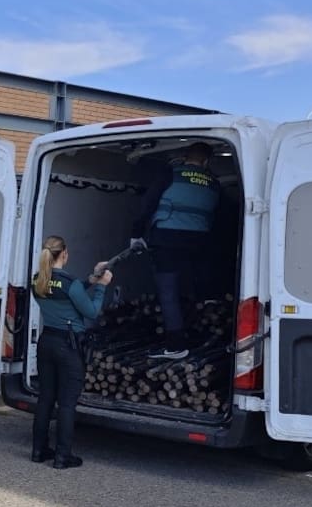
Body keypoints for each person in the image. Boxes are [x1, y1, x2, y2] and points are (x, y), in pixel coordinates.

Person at [131, 142, 221, 360]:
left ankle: (176, 346)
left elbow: (148, 204)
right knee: (196, 284)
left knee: (168, 293)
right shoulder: (214, 183)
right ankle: (208, 306)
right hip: (200, 241)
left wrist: (136, 234)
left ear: (184, 157)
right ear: (207, 161)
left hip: (167, 239)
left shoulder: (171, 173)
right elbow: (221, 215)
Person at [30, 235, 111, 470]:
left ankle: (39, 450)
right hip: (68, 346)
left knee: (45, 398)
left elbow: (67, 293)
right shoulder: (70, 283)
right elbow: (92, 311)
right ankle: (63, 456)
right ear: (64, 253)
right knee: (66, 403)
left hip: (47, 343)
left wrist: (92, 279)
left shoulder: (38, 280)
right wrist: (102, 287)